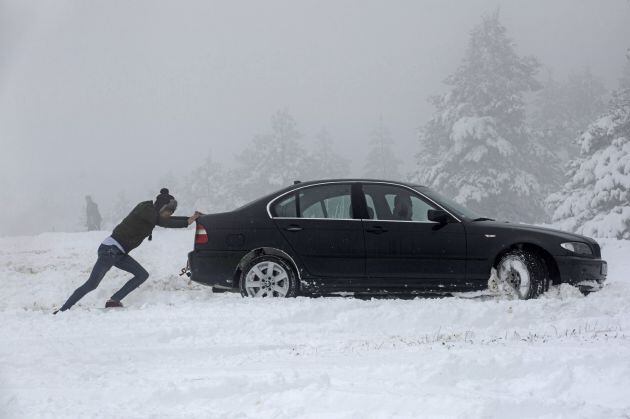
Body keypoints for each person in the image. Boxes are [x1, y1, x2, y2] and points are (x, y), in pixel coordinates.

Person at [55, 188, 202, 313]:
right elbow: (163, 221)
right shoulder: (146, 209)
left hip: (119, 253)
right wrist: (187, 222)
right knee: (92, 284)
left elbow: (165, 219)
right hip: (109, 250)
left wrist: (191, 218)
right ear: (161, 207)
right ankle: (63, 310)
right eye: (168, 212)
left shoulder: (153, 213)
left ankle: (114, 300)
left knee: (141, 274)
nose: (169, 215)